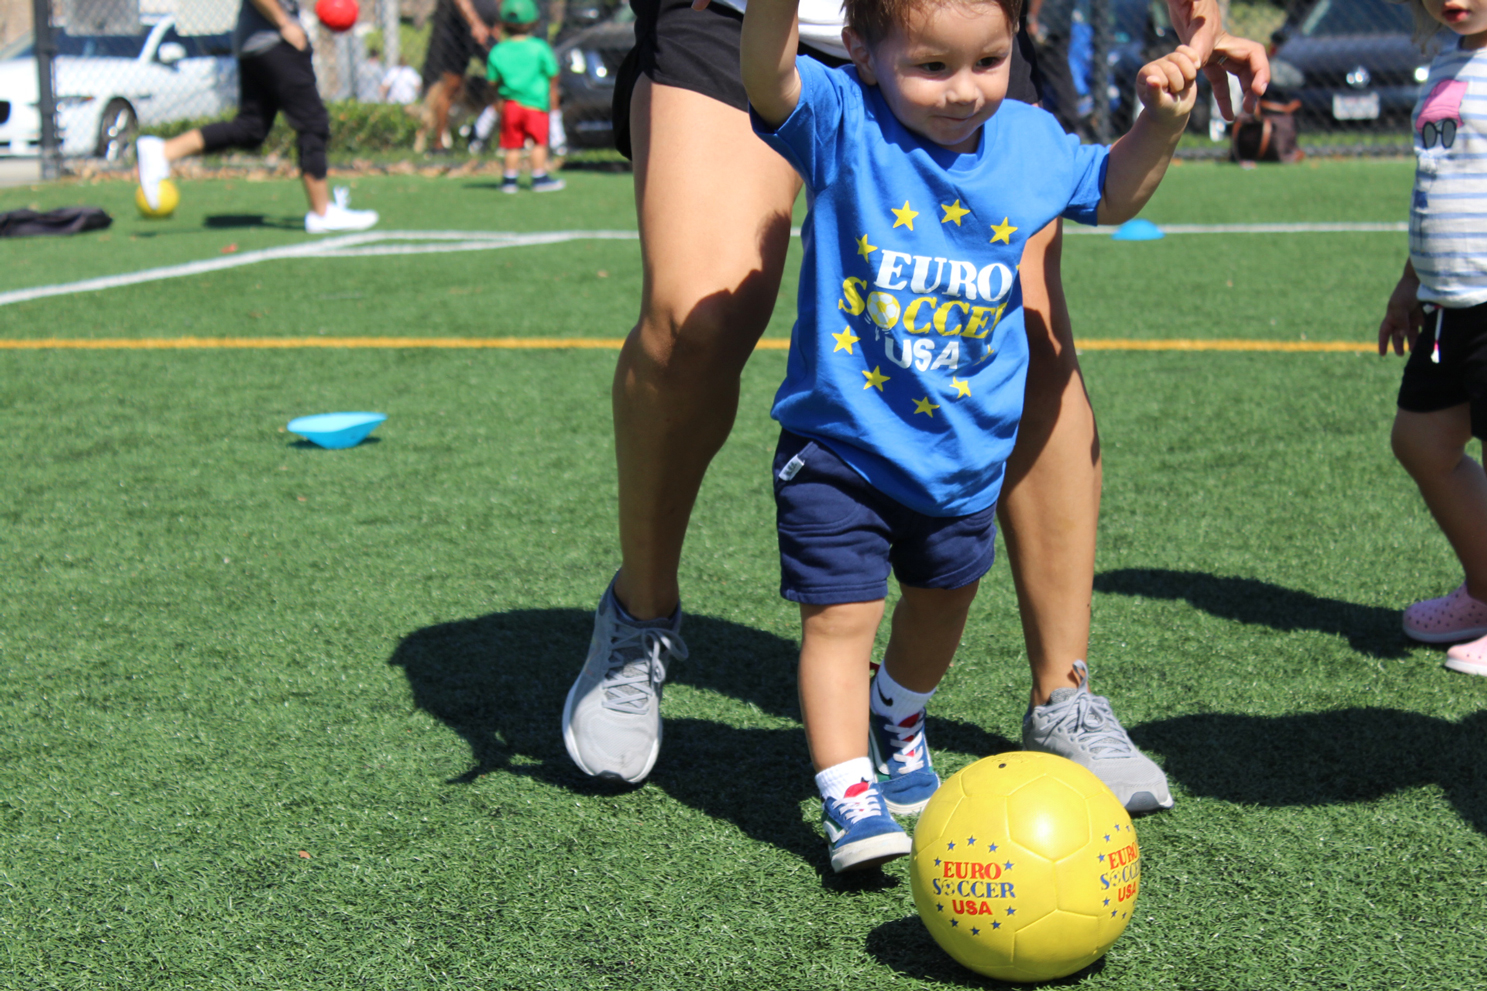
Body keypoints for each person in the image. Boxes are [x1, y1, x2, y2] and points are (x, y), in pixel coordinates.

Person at [559, 0, 1266, 807]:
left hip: (956, 18)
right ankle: (639, 620)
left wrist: (1167, 106)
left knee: (1026, 330)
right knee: (696, 319)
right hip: (741, 21)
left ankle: (1062, 692)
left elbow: (1109, 187)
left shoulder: (988, 93)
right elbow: (769, 76)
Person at [737, 0, 1196, 870]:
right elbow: (767, 75)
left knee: (940, 605)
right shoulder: (842, 120)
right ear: (864, 54)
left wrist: (1161, 126)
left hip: (962, 458)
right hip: (840, 446)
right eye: (932, 68)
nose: (962, 92)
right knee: (840, 619)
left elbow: (1110, 188)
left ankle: (898, 713)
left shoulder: (1025, 136)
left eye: (986, 61)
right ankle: (848, 797)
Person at [1379, 0, 1487, 678]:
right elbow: (1439, 180)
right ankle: (1482, 590)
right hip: (1447, 301)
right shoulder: (1447, 55)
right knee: (1420, 440)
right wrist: (1407, 282)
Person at [135, 0, 378, 234]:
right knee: (313, 121)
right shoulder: (279, 29)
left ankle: (164, 151)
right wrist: (284, 23)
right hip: (274, 41)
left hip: (256, 42)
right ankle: (322, 213)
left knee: (251, 128)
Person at [487, 0, 565, 191]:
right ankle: (539, 177)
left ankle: (509, 180)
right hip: (536, 105)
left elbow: (492, 81)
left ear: (502, 23)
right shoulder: (539, 47)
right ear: (535, 22)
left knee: (511, 144)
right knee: (538, 142)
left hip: (511, 105)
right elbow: (553, 73)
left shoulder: (498, 50)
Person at [419, 0, 502, 153]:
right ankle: (439, 144)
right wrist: (475, 22)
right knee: (451, 85)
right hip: (458, 30)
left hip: (487, 28)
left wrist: (497, 24)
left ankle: (485, 134)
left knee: (503, 83)